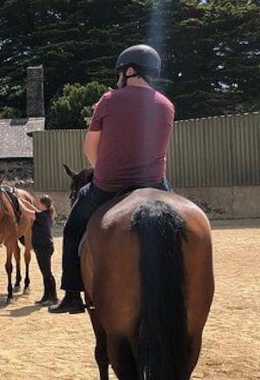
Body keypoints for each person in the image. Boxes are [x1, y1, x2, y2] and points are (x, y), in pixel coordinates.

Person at [49, 44, 175, 314]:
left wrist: (103, 172)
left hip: (109, 186)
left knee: (72, 229)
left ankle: (72, 295)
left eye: (121, 72)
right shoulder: (166, 105)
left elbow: (89, 149)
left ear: (130, 71)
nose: (118, 78)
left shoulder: (108, 100)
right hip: (154, 183)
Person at [32, 195, 58, 305]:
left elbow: (29, 211)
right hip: (42, 246)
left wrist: (20, 201)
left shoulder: (42, 215)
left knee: (47, 273)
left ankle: (53, 298)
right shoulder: (45, 214)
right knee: (45, 273)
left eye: (38, 203)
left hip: (44, 247)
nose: (37, 204)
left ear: (43, 205)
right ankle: (46, 296)